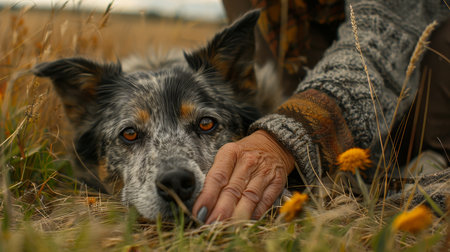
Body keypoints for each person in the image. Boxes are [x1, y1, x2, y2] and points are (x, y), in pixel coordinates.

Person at [193, 0, 450, 224]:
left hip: (416, 82)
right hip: (308, 93)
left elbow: (378, 43)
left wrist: (280, 141)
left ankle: (423, 161)